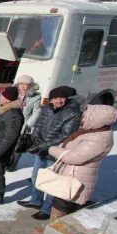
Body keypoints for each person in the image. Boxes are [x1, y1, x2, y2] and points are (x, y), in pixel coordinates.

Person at [18, 86, 81, 220]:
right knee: (36, 177)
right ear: (51, 99)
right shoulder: (46, 108)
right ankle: (36, 201)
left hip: (56, 152)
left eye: (62, 98)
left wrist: (43, 145)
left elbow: (65, 135)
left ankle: (47, 209)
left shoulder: (72, 113)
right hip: (41, 149)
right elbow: (39, 125)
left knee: (52, 181)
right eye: (56, 98)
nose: (59, 101)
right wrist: (35, 139)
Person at [47, 104, 117, 219]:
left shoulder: (100, 139)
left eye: (86, 116)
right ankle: (55, 229)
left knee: (61, 208)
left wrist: (51, 149)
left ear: (98, 119)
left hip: (76, 180)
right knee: (61, 206)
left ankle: (54, 232)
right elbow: (69, 146)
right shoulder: (91, 132)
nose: (83, 118)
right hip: (71, 176)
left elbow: (73, 157)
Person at [7, 75, 41, 171]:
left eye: (26, 84)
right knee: (7, 143)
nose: (23, 86)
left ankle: (12, 166)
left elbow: (36, 112)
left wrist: (28, 125)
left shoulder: (35, 96)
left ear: (30, 86)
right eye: (21, 84)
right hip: (10, 121)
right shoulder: (13, 93)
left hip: (23, 124)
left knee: (18, 145)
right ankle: (4, 161)